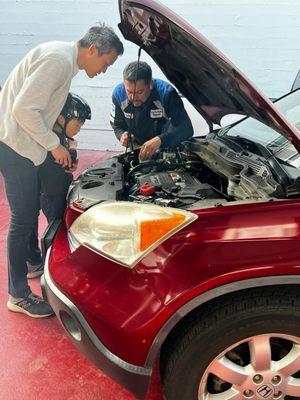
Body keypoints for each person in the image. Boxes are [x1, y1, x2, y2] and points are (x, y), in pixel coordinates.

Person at [0, 24, 124, 318]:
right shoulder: (58, 60)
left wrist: (60, 143)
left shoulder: (64, 61)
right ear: (93, 50)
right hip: (14, 144)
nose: (104, 70)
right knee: (22, 218)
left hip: (25, 143)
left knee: (30, 211)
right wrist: (54, 145)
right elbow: (23, 110)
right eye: (106, 63)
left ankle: (32, 262)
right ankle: (17, 295)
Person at [110, 61, 193, 161]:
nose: (133, 97)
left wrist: (161, 140)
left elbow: (186, 128)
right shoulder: (118, 94)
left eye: (139, 92)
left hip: (166, 150)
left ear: (151, 84)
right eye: (129, 91)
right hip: (138, 150)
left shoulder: (166, 94)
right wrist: (122, 135)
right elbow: (117, 125)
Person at [39, 92, 91, 224]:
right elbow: (68, 163)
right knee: (57, 226)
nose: (78, 129)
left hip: (58, 190)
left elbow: (68, 165)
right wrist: (72, 148)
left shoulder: (57, 136)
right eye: (77, 125)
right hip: (52, 195)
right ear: (62, 119)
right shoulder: (53, 141)